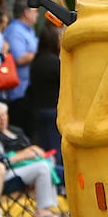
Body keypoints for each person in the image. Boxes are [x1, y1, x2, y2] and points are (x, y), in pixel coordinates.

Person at [0, 102, 61, 217]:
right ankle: (42, 209)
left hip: (6, 170)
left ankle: (46, 207)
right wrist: (21, 156)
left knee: (46, 163)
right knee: (43, 167)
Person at [28, 23, 63, 167]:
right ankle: (59, 175)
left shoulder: (36, 61)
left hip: (38, 108)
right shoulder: (55, 62)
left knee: (44, 145)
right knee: (56, 146)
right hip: (53, 109)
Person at [3, 2, 40, 117]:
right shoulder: (15, 31)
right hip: (19, 91)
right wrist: (43, 54)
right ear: (26, 13)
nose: (38, 14)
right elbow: (20, 58)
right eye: (35, 11)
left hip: (28, 89)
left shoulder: (29, 30)